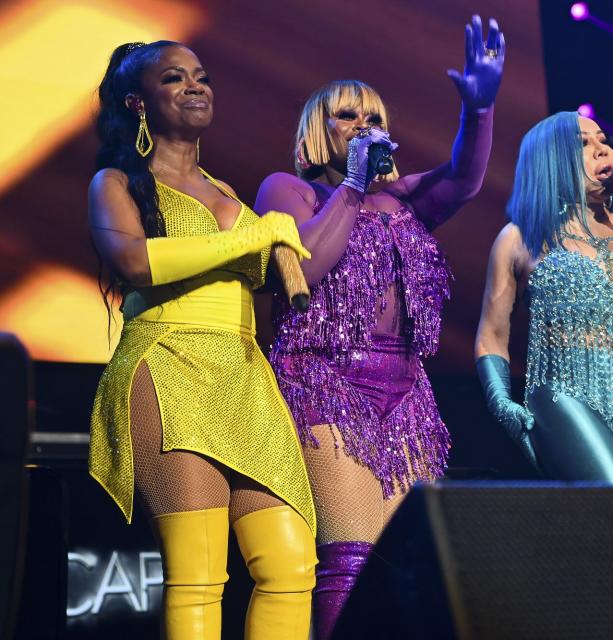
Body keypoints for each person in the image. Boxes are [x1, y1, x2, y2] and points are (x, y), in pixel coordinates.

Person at [254, 15, 504, 638]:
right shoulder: (291, 190)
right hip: (326, 381)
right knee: (350, 558)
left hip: (407, 390)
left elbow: (464, 177)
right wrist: (355, 185)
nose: (365, 125)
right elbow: (307, 264)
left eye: (373, 116)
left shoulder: (404, 201)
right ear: (318, 129)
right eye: (347, 115)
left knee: (416, 563)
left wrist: (481, 110)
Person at [88, 41, 317, 639]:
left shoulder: (230, 194)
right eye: (174, 78)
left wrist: (320, 214)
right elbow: (134, 263)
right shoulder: (116, 182)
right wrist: (250, 239)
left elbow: (274, 275)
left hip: (244, 376)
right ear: (139, 102)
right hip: (168, 365)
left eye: (202, 77)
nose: (195, 86)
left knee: (291, 566)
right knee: (198, 575)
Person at [474, 111, 613, 483]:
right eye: (583, 144)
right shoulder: (522, 237)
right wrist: (500, 401)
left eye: (602, 140)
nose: (603, 150)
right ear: (551, 162)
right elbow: (492, 334)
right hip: (563, 393)